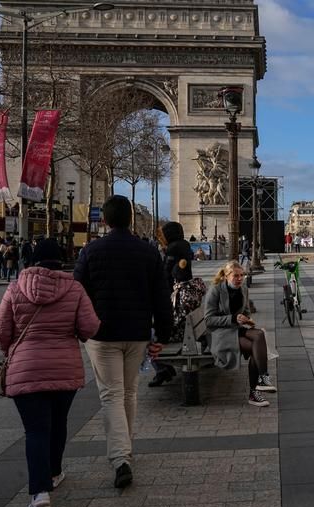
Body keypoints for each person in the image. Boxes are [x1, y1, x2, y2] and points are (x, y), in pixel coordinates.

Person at [0, 238, 100, 507]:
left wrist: (15, 350)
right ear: (61, 259)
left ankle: (40, 495)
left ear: (32, 260)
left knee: (36, 430)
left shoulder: (15, 288)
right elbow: (89, 328)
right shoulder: (74, 289)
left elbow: (1, 332)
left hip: (25, 369)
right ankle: (53, 472)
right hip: (64, 367)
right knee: (58, 422)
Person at [74, 195, 172, 489]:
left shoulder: (90, 251)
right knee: (128, 393)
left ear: (104, 220)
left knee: (111, 395)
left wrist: (79, 329)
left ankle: (120, 459)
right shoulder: (148, 252)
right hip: (137, 332)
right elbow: (161, 297)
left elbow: (78, 294)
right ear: (130, 218)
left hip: (102, 334)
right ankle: (125, 450)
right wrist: (163, 336)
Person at [204, 261, 276, 406]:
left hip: (236, 328)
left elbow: (247, 312)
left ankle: (262, 379)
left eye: (242, 275)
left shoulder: (243, 288)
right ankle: (254, 392)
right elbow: (209, 320)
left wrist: (248, 320)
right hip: (220, 334)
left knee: (259, 335)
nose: (239, 279)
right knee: (254, 348)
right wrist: (233, 318)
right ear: (226, 275)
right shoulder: (216, 290)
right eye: (235, 276)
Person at [148, 221, 193, 387]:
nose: (162, 236)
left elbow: (165, 274)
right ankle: (164, 368)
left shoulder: (173, 249)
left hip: (173, 299)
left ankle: (162, 369)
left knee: (149, 334)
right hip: (183, 303)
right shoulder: (185, 245)